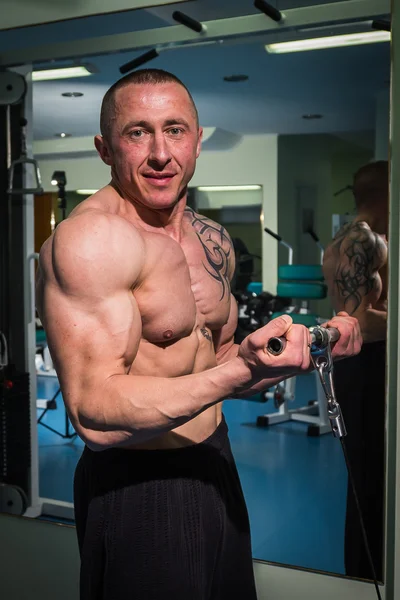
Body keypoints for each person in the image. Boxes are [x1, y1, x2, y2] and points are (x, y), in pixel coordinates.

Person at [35, 69, 362, 600]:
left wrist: (300, 350)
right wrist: (238, 371)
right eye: (138, 132)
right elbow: (94, 411)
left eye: (176, 130)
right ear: (103, 147)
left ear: (198, 139)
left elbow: (221, 358)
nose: (162, 153)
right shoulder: (92, 240)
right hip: (139, 485)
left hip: (216, 459)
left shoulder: (212, 239)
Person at [323, 160, 388, 581]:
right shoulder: (358, 240)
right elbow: (353, 324)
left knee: (381, 482)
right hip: (361, 366)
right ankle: (366, 580)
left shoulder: (373, 238)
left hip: (373, 364)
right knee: (367, 483)